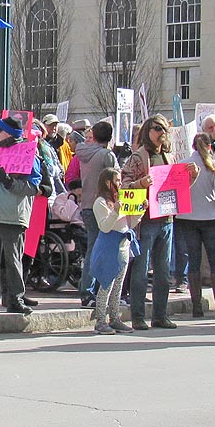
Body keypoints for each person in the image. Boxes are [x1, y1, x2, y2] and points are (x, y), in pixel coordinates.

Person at [122, 114, 199, 330]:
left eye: (164, 129)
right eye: (157, 128)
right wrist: (140, 183)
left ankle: (160, 315)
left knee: (163, 272)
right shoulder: (138, 157)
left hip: (167, 220)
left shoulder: (169, 157)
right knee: (140, 270)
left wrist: (192, 177)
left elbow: (177, 188)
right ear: (148, 131)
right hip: (146, 221)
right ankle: (138, 316)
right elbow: (124, 186)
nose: (161, 132)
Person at [0, 117, 40, 315]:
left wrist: (9, 182)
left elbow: (34, 187)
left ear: (9, 133)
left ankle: (15, 299)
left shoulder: (27, 154)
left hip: (12, 216)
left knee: (13, 260)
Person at [175, 133, 215, 318]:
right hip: (211, 217)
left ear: (192, 146)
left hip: (187, 217)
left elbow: (177, 191)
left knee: (193, 261)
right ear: (210, 147)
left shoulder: (183, 164)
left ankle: (196, 306)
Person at [90, 167, 142, 334]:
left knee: (118, 286)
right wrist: (115, 212)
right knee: (106, 284)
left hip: (123, 246)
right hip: (108, 247)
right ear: (108, 182)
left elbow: (128, 223)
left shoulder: (120, 199)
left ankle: (114, 318)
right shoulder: (100, 202)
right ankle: (100, 321)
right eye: (117, 180)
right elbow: (104, 227)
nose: (120, 183)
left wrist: (140, 211)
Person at [77, 121, 119, 307]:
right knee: (102, 249)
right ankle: (92, 291)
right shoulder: (106, 155)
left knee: (92, 248)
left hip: (87, 204)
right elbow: (115, 179)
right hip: (102, 204)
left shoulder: (84, 153)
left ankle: (87, 289)